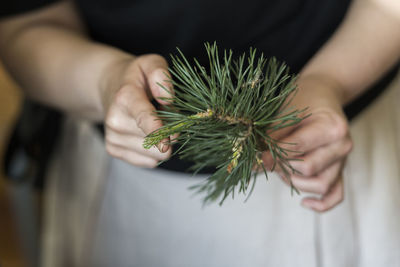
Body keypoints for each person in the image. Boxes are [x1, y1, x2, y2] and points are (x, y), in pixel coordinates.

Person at [0, 0, 399, 266]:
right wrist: (104, 81)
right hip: (127, 173)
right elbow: (26, 24)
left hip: (336, 145)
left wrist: (330, 80)